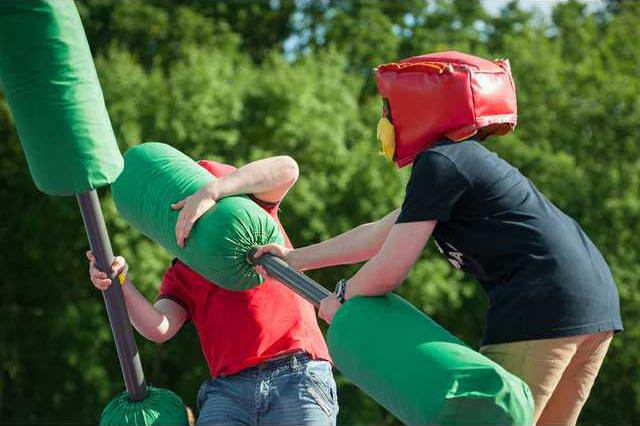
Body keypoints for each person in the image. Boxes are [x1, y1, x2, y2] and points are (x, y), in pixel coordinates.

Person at [256, 53, 622, 426]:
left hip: (542, 302)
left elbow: (388, 271)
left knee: (494, 418)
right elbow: (376, 236)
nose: (384, 121)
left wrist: (344, 300)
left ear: (416, 110)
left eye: (389, 109)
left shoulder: (439, 163)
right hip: (594, 303)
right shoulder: (459, 163)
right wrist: (295, 258)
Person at [87, 155, 338, 426]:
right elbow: (159, 328)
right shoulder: (183, 272)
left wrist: (212, 191)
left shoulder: (252, 217)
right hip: (229, 391)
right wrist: (120, 281)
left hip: (296, 372)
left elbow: (287, 169)